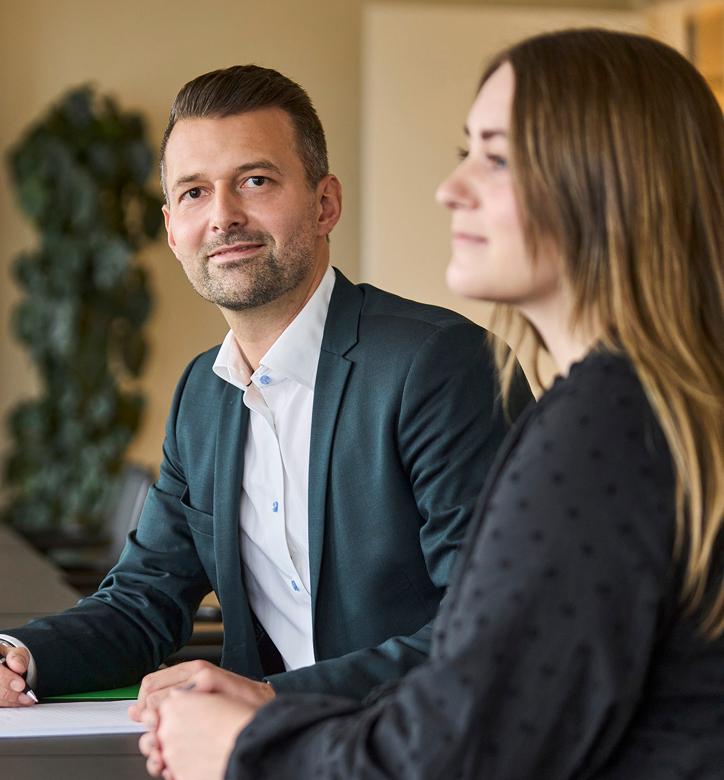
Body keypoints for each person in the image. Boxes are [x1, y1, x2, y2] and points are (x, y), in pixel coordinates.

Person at [143, 29, 724, 780]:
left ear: (615, 184)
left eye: (498, 156)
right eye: (465, 154)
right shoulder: (639, 407)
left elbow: (465, 749)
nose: (452, 188)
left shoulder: (604, 427)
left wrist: (243, 746)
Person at [0, 65, 531, 713]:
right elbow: (145, 601)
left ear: (325, 203)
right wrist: (15, 657)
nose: (223, 216)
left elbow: (489, 629)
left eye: (255, 180)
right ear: (171, 230)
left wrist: (270, 696)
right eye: (194, 192)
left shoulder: (439, 364)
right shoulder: (203, 391)